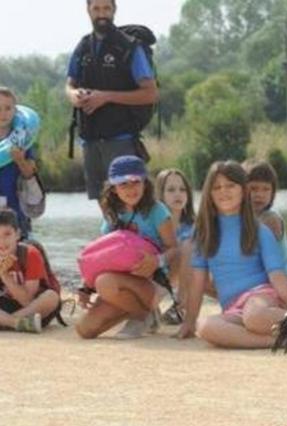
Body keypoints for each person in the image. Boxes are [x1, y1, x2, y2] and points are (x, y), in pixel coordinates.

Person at [177, 160, 287, 348]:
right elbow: (197, 282)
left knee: (255, 317)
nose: (223, 191)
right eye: (216, 187)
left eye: (230, 186)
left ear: (243, 190)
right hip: (233, 308)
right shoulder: (204, 233)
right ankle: (277, 341)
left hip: (261, 299)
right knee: (207, 327)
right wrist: (190, 321)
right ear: (209, 193)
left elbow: (277, 275)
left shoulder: (260, 230)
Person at [75, 155, 177, 339]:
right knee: (85, 329)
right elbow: (102, 256)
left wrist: (157, 261)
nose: (131, 189)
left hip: (151, 282)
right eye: (123, 184)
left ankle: (142, 315)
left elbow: (175, 249)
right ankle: (144, 313)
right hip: (119, 284)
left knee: (105, 282)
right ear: (113, 188)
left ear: (145, 183)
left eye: (135, 182)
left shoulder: (157, 211)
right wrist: (85, 287)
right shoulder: (112, 215)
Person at [65, 0, 158, 200]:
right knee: (104, 204)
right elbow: (69, 84)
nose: (102, 14)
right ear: (88, 11)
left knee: (132, 204)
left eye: (106, 8)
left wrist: (105, 97)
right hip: (90, 140)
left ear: (114, 11)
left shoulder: (129, 47)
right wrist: (73, 95)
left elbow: (150, 93)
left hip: (121, 141)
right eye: (96, 9)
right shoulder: (83, 47)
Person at [0, 209, 60, 333]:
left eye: (7, 234)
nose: (2, 241)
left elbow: (27, 300)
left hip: (36, 308)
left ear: (17, 234)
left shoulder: (30, 254)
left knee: (52, 297)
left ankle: (8, 322)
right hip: (9, 306)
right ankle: (17, 323)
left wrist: (4, 274)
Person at [243, 159, 287, 284]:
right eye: (253, 188)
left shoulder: (271, 219)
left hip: (278, 286)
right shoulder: (242, 218)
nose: (259, 194)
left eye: (266, 189)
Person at [155, 168, 195, 324]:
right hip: (158, 275)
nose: (178, 194)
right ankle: (153, 309)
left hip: (189, 275)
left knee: (189, 247)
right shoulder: (154, 225)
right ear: (161, 194)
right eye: (171, 190)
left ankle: (179, 307)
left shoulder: (194, 225)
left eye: (182, 189)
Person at [0, 87, 38, 238]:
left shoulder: (23, 139)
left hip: (15, 210)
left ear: (15, 111)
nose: (3, 113)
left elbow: (30, 173)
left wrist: (20, 160)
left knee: (17, 253)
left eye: (8, 108)